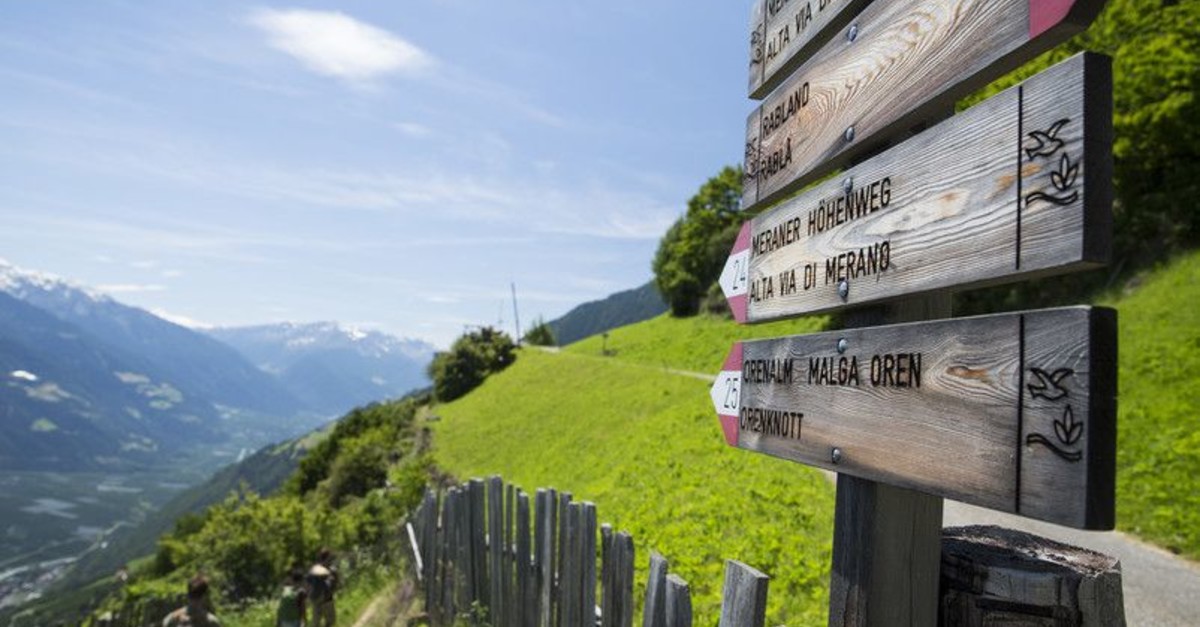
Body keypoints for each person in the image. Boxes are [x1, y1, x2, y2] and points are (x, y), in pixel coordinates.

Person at [305, 548, 338, 627]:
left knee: (317, 623)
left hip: (316, 599)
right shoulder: (330, 570)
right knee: (330, 621)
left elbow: (307, 582)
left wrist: (308, 596)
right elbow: (334, 584)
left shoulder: (314, 569)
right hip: (326, 599)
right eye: (329, 558)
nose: (330, 560)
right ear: (327, 558)